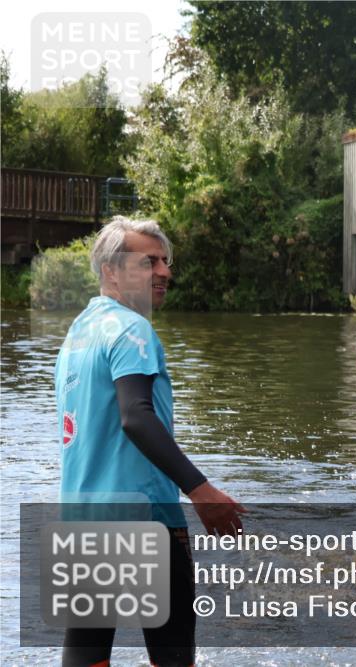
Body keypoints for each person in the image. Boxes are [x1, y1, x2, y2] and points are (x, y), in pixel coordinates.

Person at [55, 217, 245, 667]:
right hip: (144, 515)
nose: (164, 272)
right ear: (111, 271)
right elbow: (136, 417)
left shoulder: (79, 333)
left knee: (85, 654)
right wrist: (201, 490)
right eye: (148, 262)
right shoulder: (132, 330)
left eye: (165, 261)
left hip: (83, 516)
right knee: (172, 655)